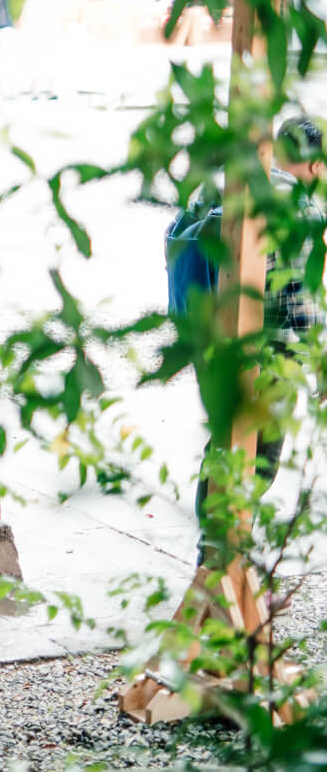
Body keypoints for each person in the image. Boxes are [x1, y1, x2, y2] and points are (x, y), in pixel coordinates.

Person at [171, 116, 326, 563]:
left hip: (216, 344)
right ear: (314, 165)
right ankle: (225, 550)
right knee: (260, 455)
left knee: (225, 440)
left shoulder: (228, 188)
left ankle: (214, 545)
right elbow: (300, 301)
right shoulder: (301, 210)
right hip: (272, 357)